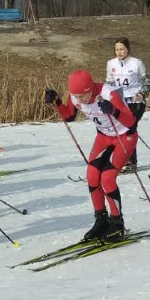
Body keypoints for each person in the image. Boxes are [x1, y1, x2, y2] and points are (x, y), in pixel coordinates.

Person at [45, 69, 137, 242]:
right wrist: (57, 101)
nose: (78, 100)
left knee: (107, 178)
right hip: (103, 137)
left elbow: (131, 122)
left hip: (124, 136)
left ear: (89, 90)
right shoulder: (76, 96)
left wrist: (113, 111)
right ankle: (101, 220)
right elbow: (70, 116)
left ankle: (117, 223)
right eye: (75, 96)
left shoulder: (108, 94)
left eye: (81, 96)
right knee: (92, 175)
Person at [105, 38, 150, 172]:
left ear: (128, 49)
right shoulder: (111, 63)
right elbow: (109, 82)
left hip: (135, 101)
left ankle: (131, 161)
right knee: (119, 130)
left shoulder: (137, 63)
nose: (119, 52)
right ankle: (120, 159)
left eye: (122, 49)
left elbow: (146, 82)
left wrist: (142, 94)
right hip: (119, 101)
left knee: (129, 128)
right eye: (117, 49)